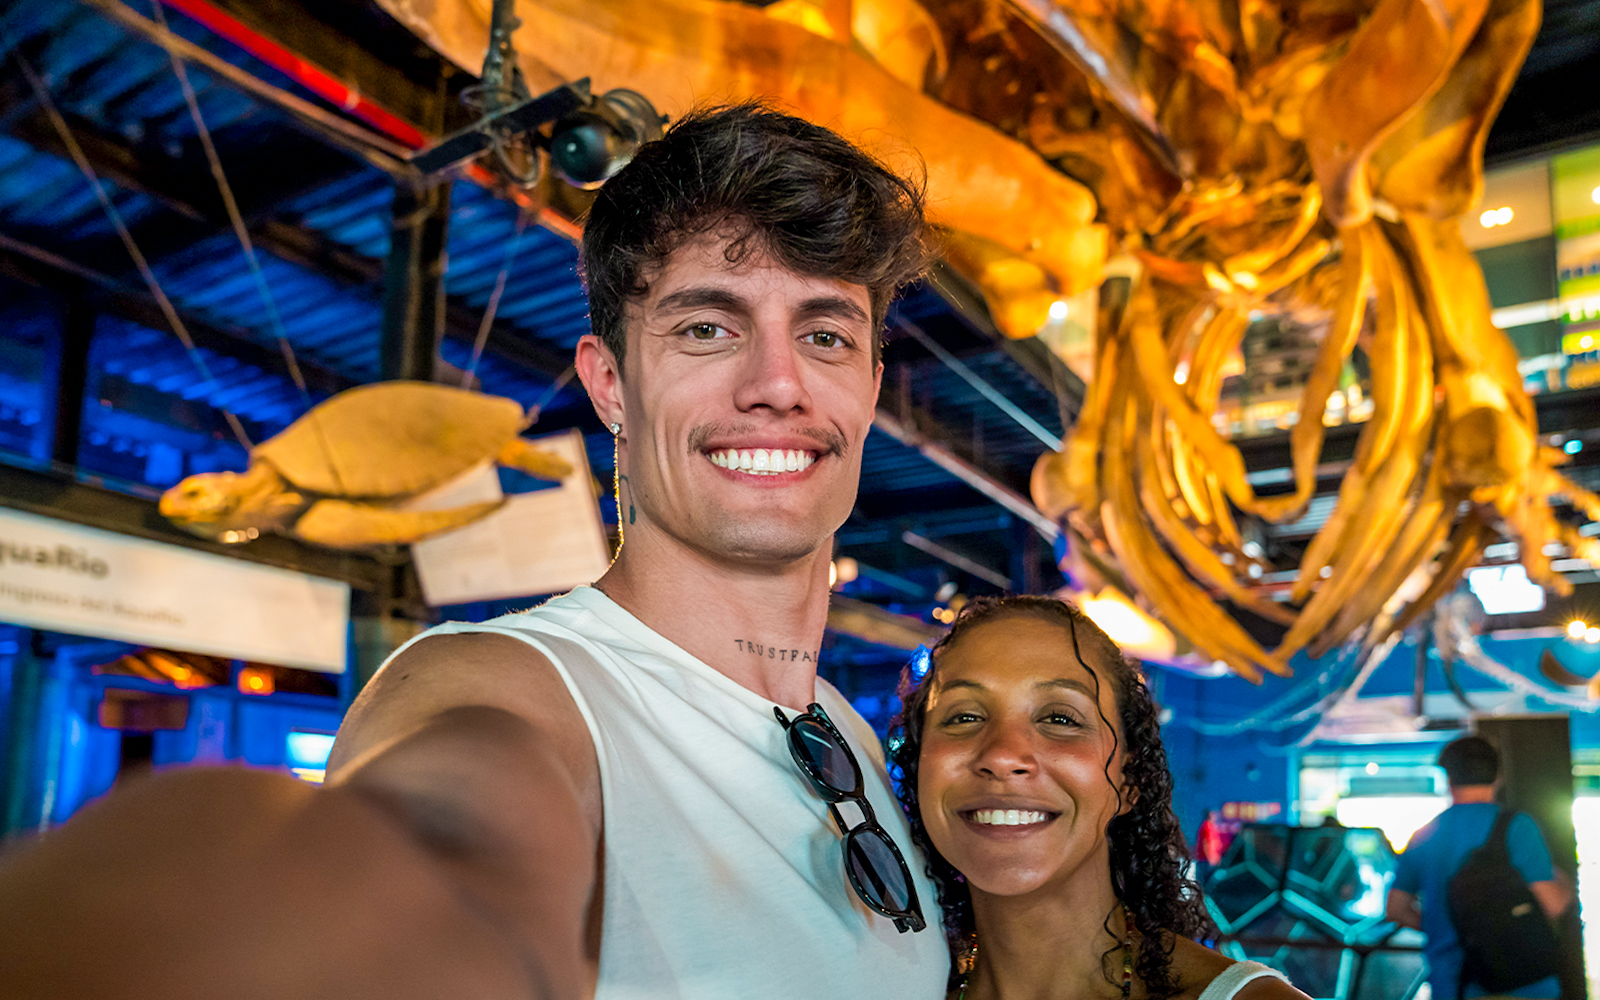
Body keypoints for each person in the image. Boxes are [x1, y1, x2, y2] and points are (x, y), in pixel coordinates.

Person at [0, 104, 949, 999]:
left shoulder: (847, 731)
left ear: (868, 386)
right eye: (707, 328)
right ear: (611, 385)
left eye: (825, 334)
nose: (779, 383)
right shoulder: (506, 689)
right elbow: (444, 841)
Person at [890, 595, 1311, 1000]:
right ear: (918, 764)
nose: (1001, 755)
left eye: (1059, 718)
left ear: (1129, 780)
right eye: (964, 716)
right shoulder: (891, 987)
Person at [1386, 736, 1572, 1000]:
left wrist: (1444, 928)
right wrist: (1564, 884)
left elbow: (1395, 909)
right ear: (1498, 776)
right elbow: (1552, 904)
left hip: (1453, 984)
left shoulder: (1424, 835)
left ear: (1448, 780)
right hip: (1522, 985)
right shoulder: (1517, 827)